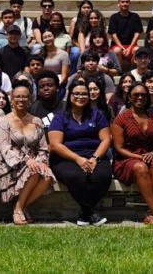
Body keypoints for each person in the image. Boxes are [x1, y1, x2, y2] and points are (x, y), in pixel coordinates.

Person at [48, 80, 113, 226]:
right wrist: (78, 159)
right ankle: (91, 213)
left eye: (84, 94)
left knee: (102, 176)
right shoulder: (60, 117)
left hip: (94, 155)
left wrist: (95, 158)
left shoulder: (97, 115)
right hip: (66, 158)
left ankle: (85, 214)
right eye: (76, 93)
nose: (81, 96)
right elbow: (55, 145)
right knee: (76, 176)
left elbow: (105, 140)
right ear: (70, 95)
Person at [108, 82, 153, 227]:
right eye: (136, 95)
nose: (140, 98)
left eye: (143, 95)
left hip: (149, 156)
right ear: (129, 98)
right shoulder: (122, 118)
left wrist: (151, 153)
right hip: (126, 159)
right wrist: (139, 157)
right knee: (140, 167)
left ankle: (150, 215)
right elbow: (118, 148)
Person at [0, 82, 54, 225]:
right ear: (12, 99)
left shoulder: (37, 121)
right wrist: (27, 160)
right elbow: (5, 148)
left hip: (34, 161)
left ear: (30, 100)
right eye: (17, 97)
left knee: (47, 176)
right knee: (33, 170)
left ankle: (20, 206)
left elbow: (43, 148)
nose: (21, 100)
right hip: (11, 164)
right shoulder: (4, 121)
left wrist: (41, 161)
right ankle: (19, 210)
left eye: (24, 97)